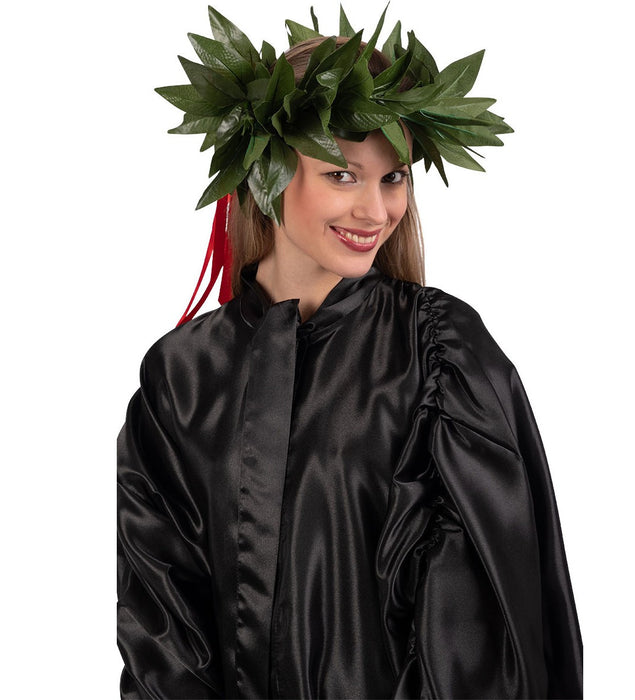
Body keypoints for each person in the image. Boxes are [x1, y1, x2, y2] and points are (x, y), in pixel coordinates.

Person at [117, 7, 583, 699]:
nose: (376, 210)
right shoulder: (181, 376)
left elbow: (479, 637)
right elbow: (161, 628)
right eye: (343, 175)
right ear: (266, 171)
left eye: (393, 178)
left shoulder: (439, 357)